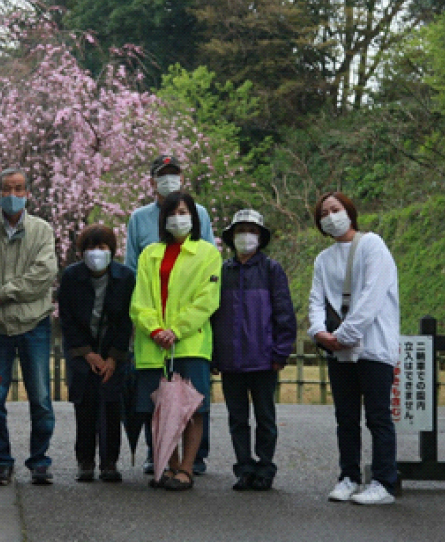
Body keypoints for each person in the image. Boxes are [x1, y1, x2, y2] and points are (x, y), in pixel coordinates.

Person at [124, 153, 215, 475]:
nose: (178, 218)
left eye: (183, 213)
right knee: (158, 405)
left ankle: (190, 465)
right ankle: (164, 461)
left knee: (192, 405)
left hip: (189, 340)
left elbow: (207, 296)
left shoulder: (207, 251)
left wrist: (176, 329)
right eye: (172, 213)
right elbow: (138, 290)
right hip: (154, 342)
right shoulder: (150, 250)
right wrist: (153, 329)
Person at [308, 192, 400, 505]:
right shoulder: (322, 260)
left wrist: (345, 333)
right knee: (345, 417)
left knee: (378, 417)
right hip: (339, 350)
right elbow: (315, 301)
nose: (330, 216)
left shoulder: (373, 245)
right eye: (324, 213)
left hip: (374, 346)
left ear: (349, 211)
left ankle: (384, 482)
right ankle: (348, 476)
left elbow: (372, 297)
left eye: (335, 209)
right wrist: (319, 332)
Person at [0, 168, 58, 486]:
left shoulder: (42, 230)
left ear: (27, 193)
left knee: (41, 398)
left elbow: (43, 274)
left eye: (19, 188)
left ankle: (40, 461)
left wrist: (1, 294)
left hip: (34, 323)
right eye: (7, 188)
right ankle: (1, 461)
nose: (13, 194)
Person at [211, 209, 296, 491]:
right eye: (240, 230)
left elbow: (284, 312)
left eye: (252, 230)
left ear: (260, 236)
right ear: (231, 237)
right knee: (237, 418)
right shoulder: (222, 272)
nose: (246, 236)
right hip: (230, 360)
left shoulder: (272, 270)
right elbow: (211, 314)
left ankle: (265, 467)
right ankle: (244, 467)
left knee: (265, 417)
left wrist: (280, 352)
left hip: (263, 359)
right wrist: (214, 356)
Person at [57, 224, 135, 483]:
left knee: (112, 406)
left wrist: (113, 357)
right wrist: (87, 353)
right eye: (90, 247)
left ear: (112, 250)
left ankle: (110, 462)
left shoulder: (125, 277)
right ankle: (85, 461)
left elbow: (126, 320)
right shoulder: (71, 277)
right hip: (83, 353)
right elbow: (66, 319)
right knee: (85, 406)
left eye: (102, 247)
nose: (96, 253)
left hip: (113, 352)